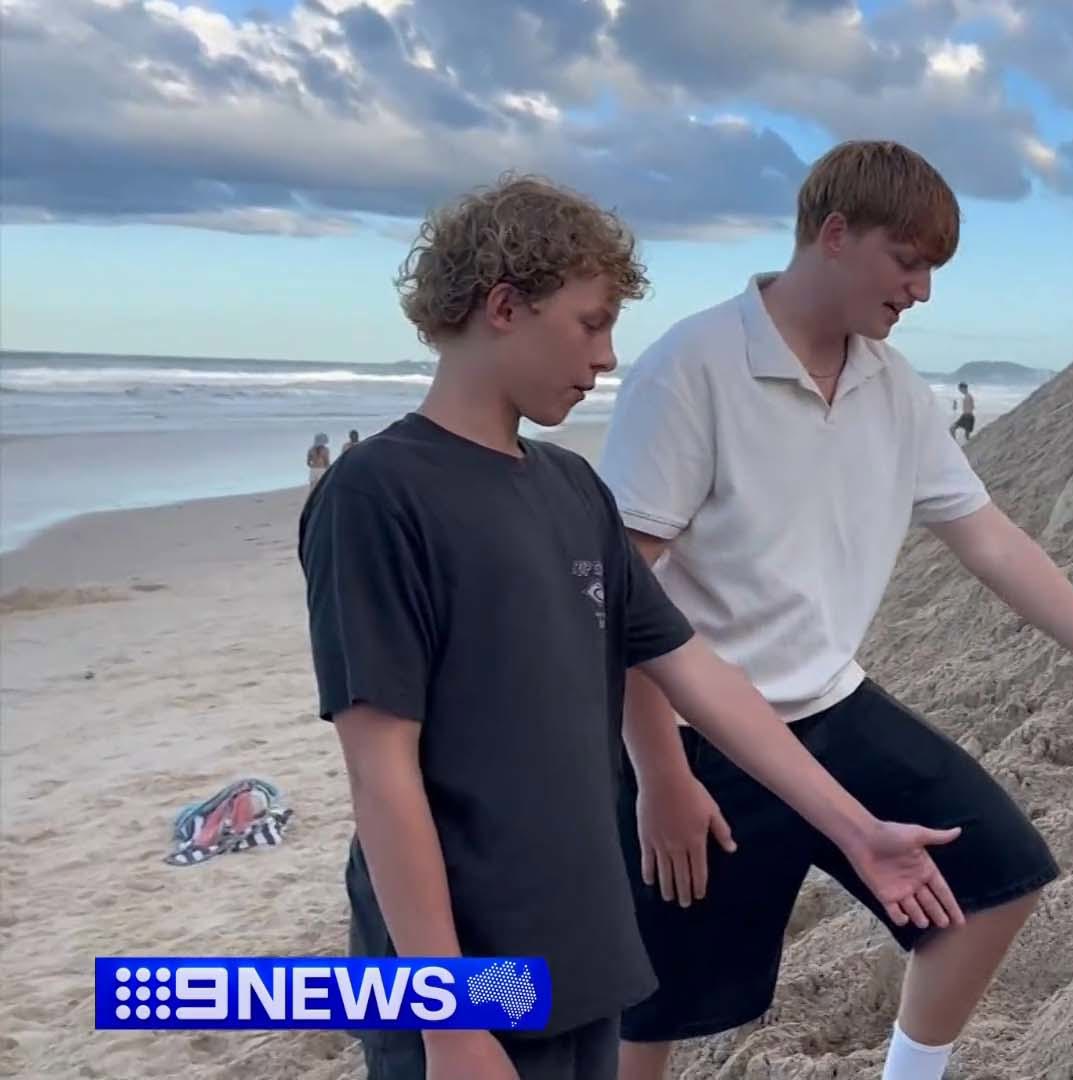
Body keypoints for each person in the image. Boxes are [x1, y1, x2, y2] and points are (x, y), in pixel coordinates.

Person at [299, 173, 966, 1080]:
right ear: (503, 305)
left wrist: (855, 829)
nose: (609, 355)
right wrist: (448, 1021)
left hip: (585, 948)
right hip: (468, 972)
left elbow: (704, 680)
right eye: (590, 322)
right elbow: (381, 775)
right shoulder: (378, 495)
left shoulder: (572, 491)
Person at [598, 139, 1073, 1080]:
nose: (923, 291)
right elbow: (620, 600)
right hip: (693, 732)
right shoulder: (690, 369)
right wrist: (656, 774)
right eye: (910, 261)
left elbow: (991, 541)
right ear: (837, 236)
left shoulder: (894, 388)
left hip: (831, 707)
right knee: (653, 1010)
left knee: (996, 878)